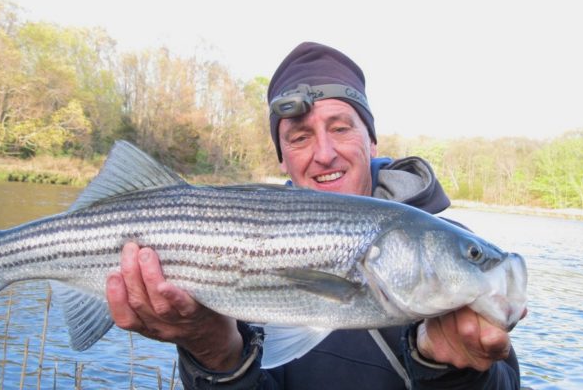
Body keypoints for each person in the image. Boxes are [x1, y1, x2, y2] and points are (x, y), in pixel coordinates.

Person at [105, 42, 525, 389]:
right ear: (283, 159)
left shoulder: (442, 242)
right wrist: (214, 352)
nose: (324, 153)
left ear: (372, 141)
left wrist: (451, 371)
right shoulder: (246, 234)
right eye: (301, 137)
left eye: (341, 128)